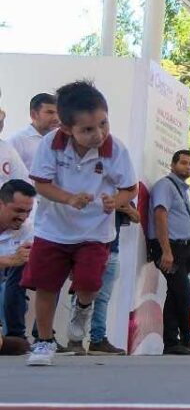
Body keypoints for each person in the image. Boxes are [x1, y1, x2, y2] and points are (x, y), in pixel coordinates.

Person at [22, 81, 137, 367]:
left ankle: (82, 310)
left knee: (89, 282)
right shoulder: (51, 144)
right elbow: (42, 185)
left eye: (103, 123)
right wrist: (69, 198)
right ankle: (45, 342)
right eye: (87, 130)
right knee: (46, 287)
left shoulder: (115, 149)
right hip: (53, 230)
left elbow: (130, 188)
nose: (98, 134)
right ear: (66, 129)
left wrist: (117, 200)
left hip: (95, 232)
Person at [148, 150, 190, 356]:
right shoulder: (165, 186)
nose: (187, 167)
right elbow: (160, 216)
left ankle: (174, 342)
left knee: (175, 294)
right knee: (184, 295)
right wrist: (166, 251)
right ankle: (181, 340)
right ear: (172, 165)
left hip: (183, 247)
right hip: (169, 247)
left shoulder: (182, 190)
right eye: (183, 163)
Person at [71, 202, 138, 355]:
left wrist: (124, 207)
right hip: (86, 249)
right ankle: (75, 339)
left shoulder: (120, 196)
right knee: (80, 293)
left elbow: (136, 217)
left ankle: (97, 339)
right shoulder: (90, 193)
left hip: (112, 250)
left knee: (103, 298)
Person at [0, 179, 35, 356]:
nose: (23, 217)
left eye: (28, 212)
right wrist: (10, 260)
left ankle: (17, 336)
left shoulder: (28, 229)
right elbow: (13, 261)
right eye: (18, 210)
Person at [10, 94, 58, 170]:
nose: (56, 118)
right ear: (34, 114)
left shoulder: (63, 138)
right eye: (50, 112)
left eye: (58, 113)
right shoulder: (18, 140)